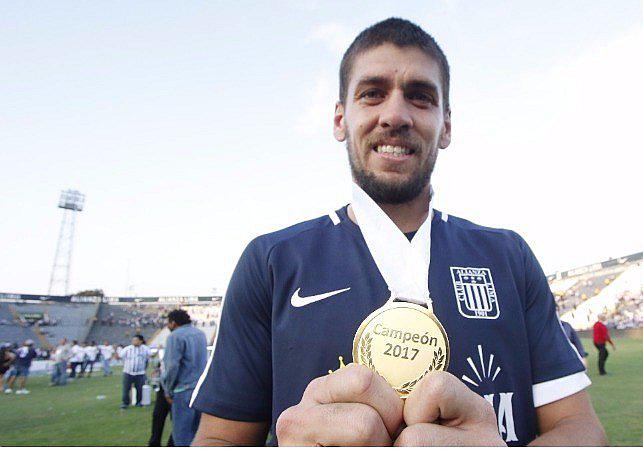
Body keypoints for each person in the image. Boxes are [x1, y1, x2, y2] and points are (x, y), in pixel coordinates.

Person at [190, 18, 606, 446]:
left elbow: (579, 426)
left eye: (420, 98)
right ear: (340, 119)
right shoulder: (272, 261)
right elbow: (218, 439)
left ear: (445, 126)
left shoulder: (508, 255)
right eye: (372, 94)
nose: (395, 115)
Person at [160, 309, 208, 446]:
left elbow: (171, 366)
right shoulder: (200, 334)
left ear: (173, 323)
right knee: (198, 434)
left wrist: (167, 390)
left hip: (183, 390)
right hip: (200, 390)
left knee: (182, 436)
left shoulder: (175, 336)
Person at [118, 334, 150, 409]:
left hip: (140, 373)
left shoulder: (145, 349)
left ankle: (139, 402)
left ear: (140, 341)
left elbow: (151, 355)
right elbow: (120, 356)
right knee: (126, 389)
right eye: (133, 340)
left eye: (136, 340)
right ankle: (125, 403)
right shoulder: (127, 349)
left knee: (139, 388)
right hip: (128, 372)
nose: (134, 342)